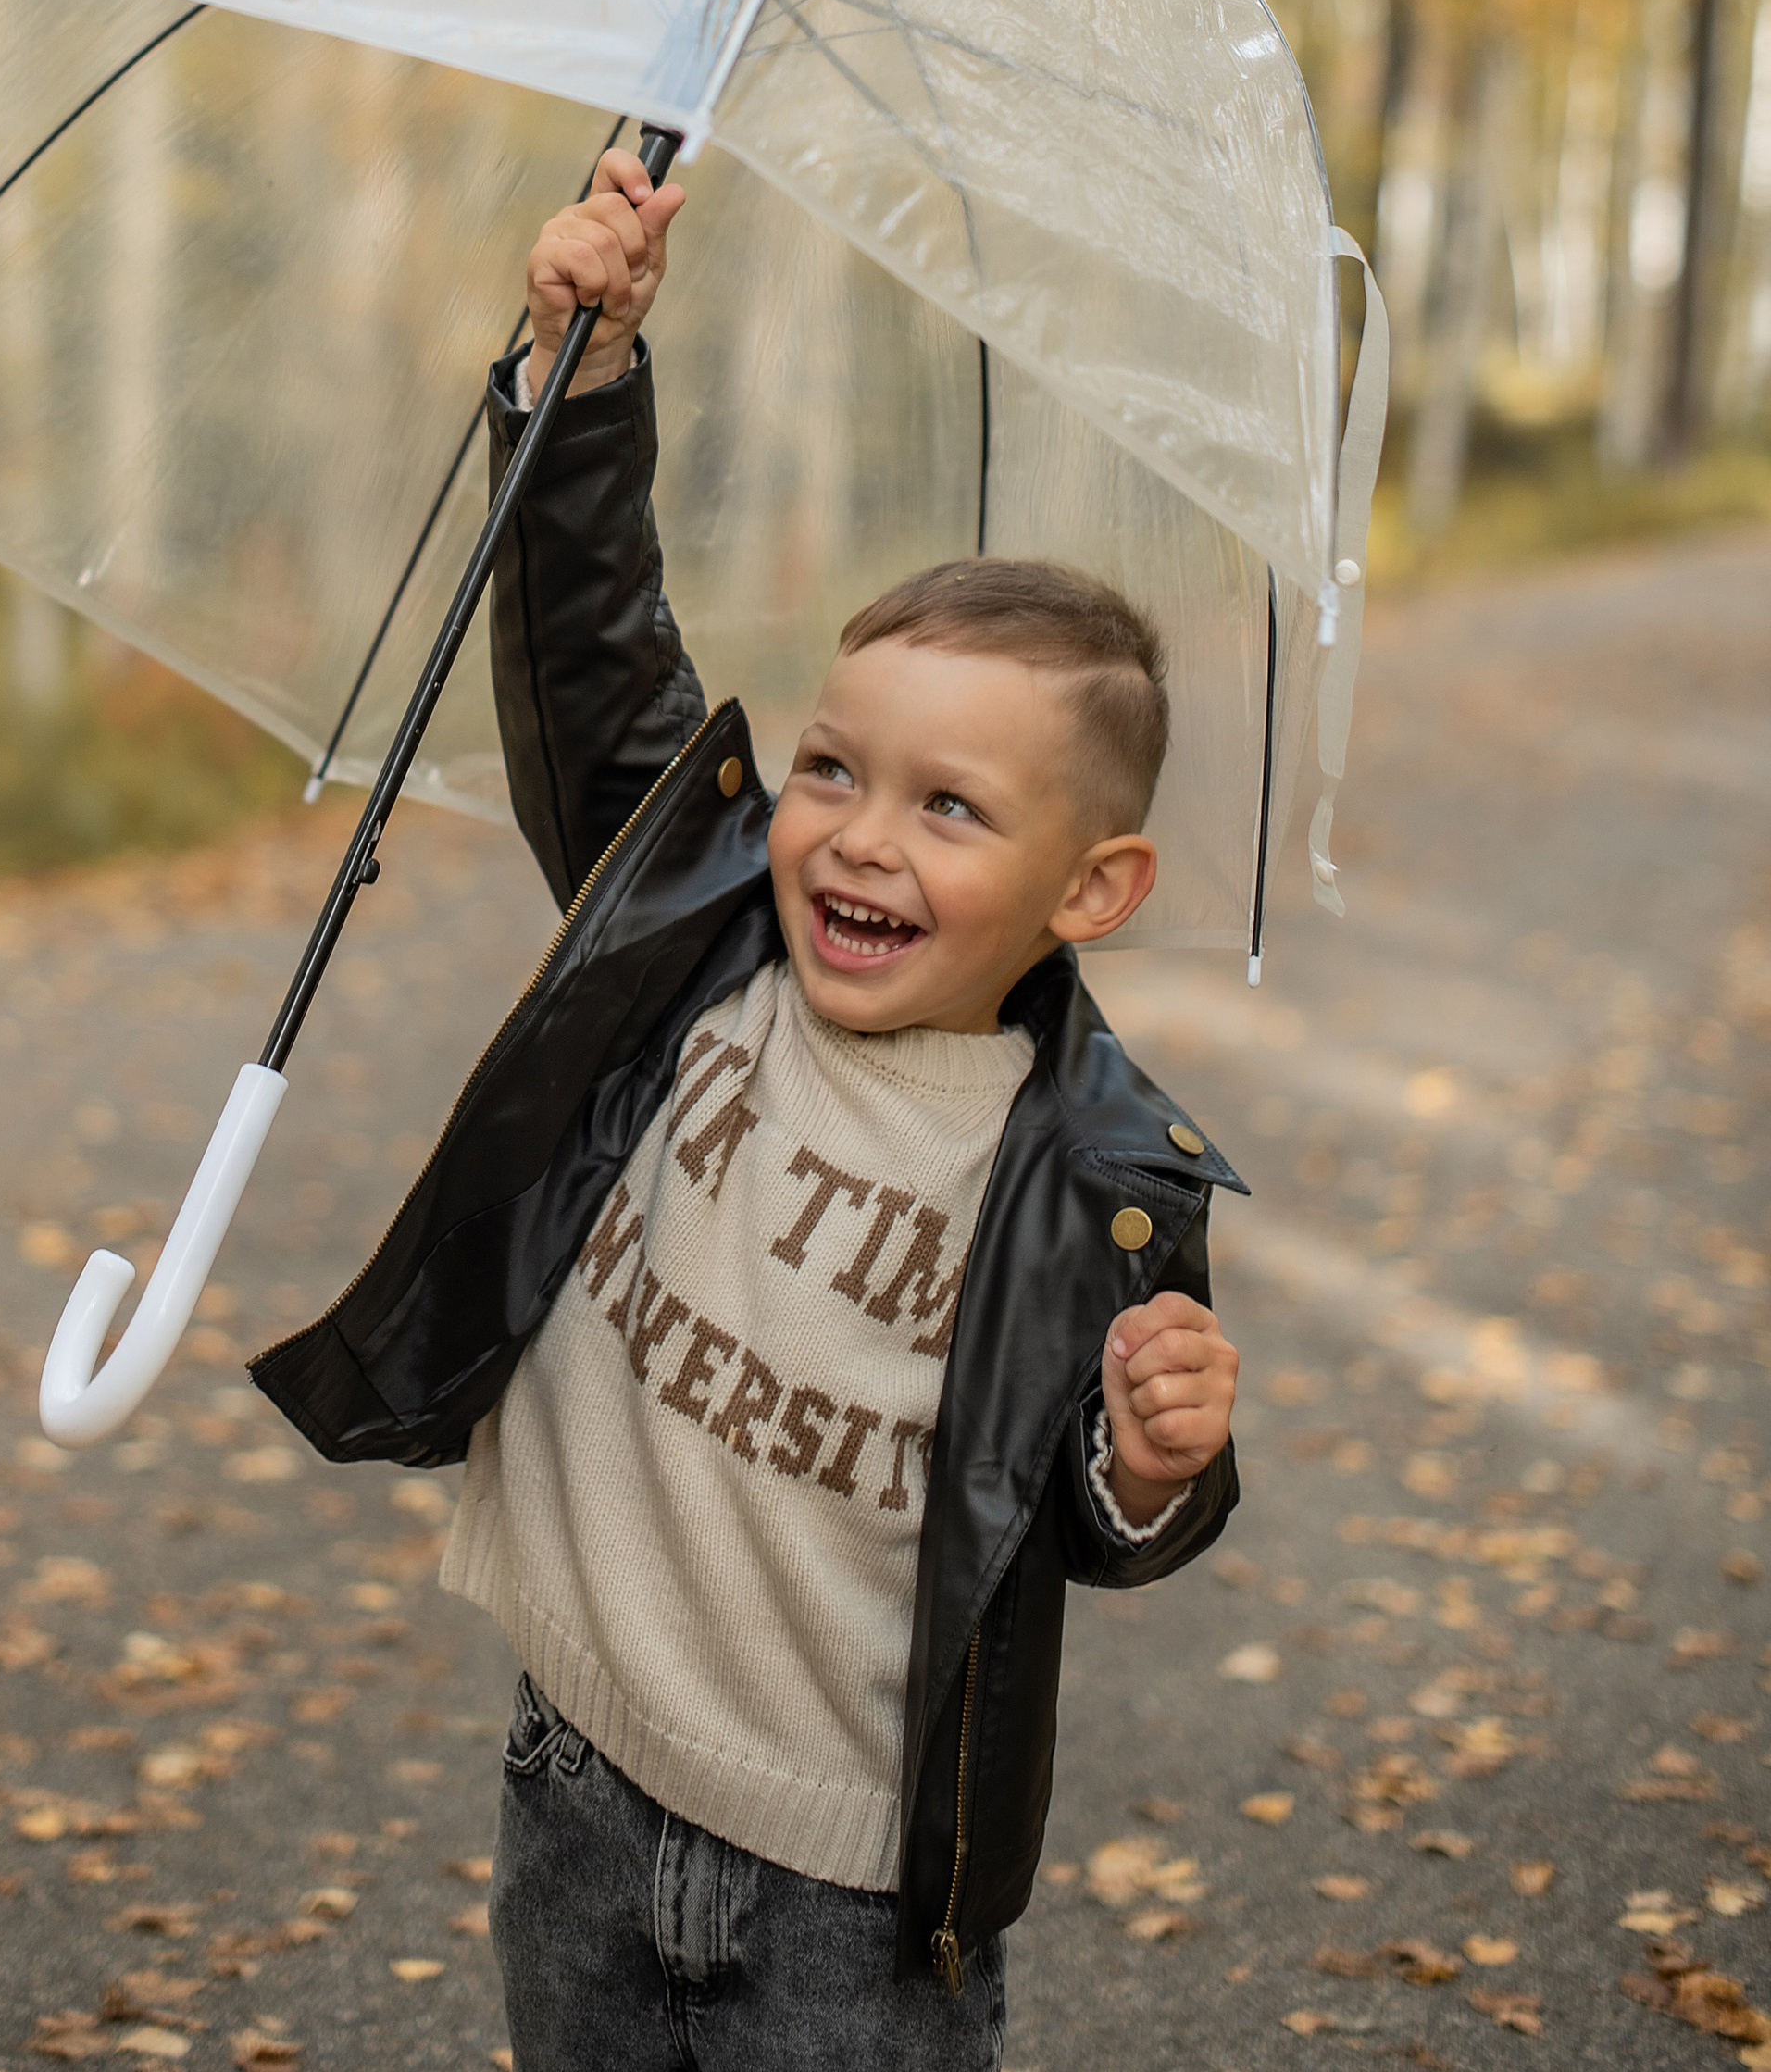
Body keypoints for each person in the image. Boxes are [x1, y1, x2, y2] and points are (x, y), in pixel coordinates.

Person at [253, 148, 1243, 2069]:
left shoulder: (1098, 1180)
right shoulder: (704, 945)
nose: (857, 837)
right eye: (827, 767)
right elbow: (590, 652)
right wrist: (581, 372)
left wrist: (1151, 1460)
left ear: (1087, 886)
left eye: (948, 807)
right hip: (574, 1778)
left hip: (854, 1901)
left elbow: (1088, 1520)